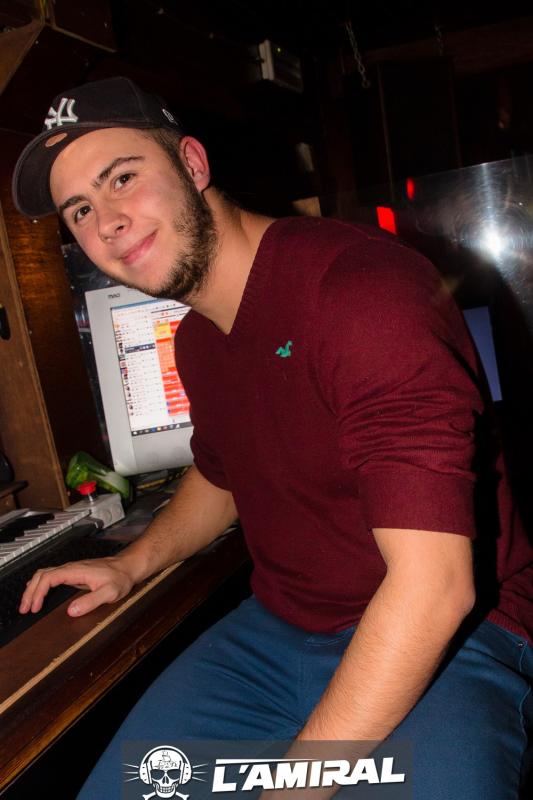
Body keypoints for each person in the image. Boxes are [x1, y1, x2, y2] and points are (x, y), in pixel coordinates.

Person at [12, 76, 533, 799]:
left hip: (456, 635)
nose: (107, 223)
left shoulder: (361, 293)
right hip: (276, 635)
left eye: (122, 178)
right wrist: (133, 564)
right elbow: (221, 473)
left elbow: (434, 589)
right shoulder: (197, 340)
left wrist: (300, 782)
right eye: (80, 210)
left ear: (192, 164)